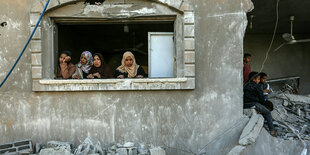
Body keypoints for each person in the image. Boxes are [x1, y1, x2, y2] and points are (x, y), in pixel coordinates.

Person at [244, 71, 277, 136]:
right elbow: (261, 99)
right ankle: (272, 130)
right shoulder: (257, 86)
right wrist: (264, 103)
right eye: (258, 79)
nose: (259, 81)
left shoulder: (246, 85)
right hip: (253, 104)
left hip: (244, 104)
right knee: (267, 112)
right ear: (254, 79)